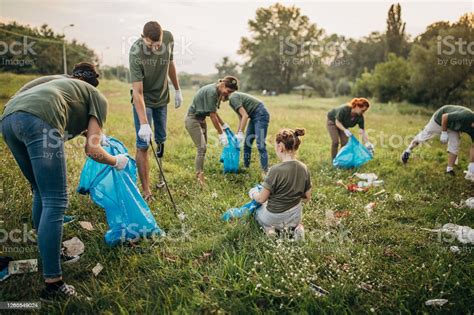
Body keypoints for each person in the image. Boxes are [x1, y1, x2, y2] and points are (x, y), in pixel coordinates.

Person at [1, 78, 129, 300]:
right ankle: (54, 286)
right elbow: (92, 149)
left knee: (40, 190)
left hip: (9, 119)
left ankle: (48, 252)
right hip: (40, 121)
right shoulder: (98, 97)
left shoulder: (60, 82)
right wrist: (116, 161)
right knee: (56, 200)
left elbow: (25, 96)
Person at [129, 21, 182, 200]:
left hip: (162, 98)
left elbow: (170, 63)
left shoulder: (168, 38)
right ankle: (146, 191)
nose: (154, 47)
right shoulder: (136, 52)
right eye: (150, 44)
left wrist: (177, 89)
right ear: (143, 37)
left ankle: (160, 180)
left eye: (157, 44)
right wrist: (144, 123)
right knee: (143, 144)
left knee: (161, 139)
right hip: (144, 100)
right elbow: (137, 91)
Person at [249, 128, 312, 240]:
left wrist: (253, 193)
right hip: (295, 217)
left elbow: (261, 199)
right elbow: (307, 197)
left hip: (273, 217)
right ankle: (298, 229)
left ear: (280, 147)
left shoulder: (275, 170)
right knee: (295, 222)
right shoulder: (304, 168)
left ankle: (270, 230)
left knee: (257, 211)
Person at [185, 76, 239, 185]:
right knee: (201, 147)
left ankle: (200, 173)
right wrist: (221, 134)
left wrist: (223, 125)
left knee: (203, 149)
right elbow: (213, 116)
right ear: (223, 85)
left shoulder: (218, 91)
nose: (228, 94)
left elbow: (214, 112)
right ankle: (199, 177)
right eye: (228, 91)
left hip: (201, 119)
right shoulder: (212, 92)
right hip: (192, 119)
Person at [401, 105, 474, 180]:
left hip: (453, 127)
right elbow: (445, 117)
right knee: (422, 138)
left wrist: (472, 164)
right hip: (439, 120)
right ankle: (408, 151)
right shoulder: (466, 116)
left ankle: (449, 170)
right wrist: (444, 132)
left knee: (455, 144)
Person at [227, 91, 270, 173]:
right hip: (254, 116)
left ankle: (265, 171)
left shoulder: (233, 98)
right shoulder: (231, 101)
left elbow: (245, 116)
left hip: (260, 114)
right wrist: (238, 134)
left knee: (260, 144)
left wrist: (240, 133)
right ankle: (246, 167)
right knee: (247, 143)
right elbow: (241, 117)